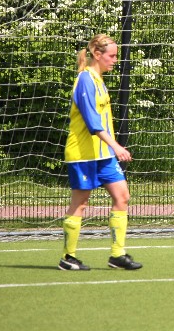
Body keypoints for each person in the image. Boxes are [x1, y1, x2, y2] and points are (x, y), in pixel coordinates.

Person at [59, 34, 141, 271]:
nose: (115, 60)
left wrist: (111, 148)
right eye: (112, 56)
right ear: (97, 54)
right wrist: (116, 146)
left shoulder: (99, 80)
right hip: (83, 154)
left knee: (122, 196)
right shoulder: (85, 79)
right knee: (81, 203)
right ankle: (68, 257)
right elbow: (92, 122)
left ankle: (117, 255)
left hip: (103, 154)